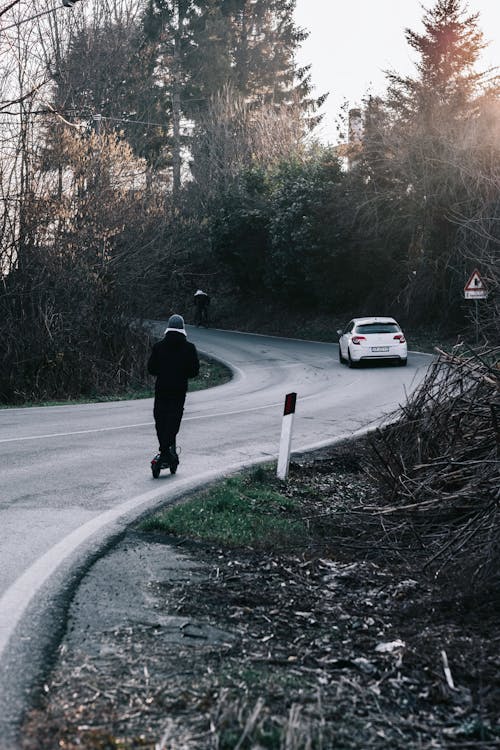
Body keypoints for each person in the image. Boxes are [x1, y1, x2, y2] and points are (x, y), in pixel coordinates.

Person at [147, 314, 199, 470]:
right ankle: (166, 450)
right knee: (174, 418)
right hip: (179, 389)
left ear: (168, 327)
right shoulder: (189, 348)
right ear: (183, 328)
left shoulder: (158, 346)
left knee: (160, 418)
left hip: (162, 388)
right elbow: (194, 371)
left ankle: (163, 450)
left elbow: (151, 369)